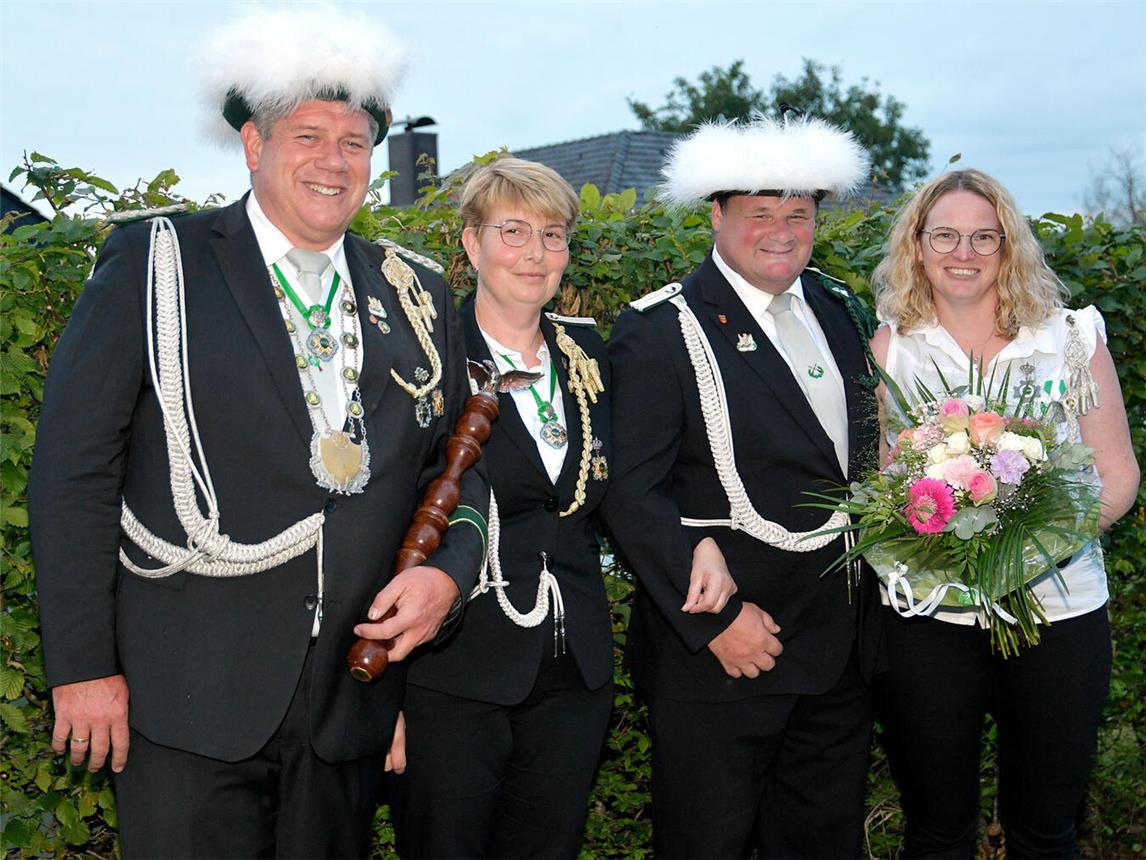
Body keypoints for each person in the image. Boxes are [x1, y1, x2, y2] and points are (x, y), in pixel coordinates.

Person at [27, 7, 487, 858]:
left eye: (354, 142)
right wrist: (83, 668)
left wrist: (449, 580)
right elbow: (73, 474)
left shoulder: (416, 291)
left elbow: (458, 467)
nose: (333, 161)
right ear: (253, 144)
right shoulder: (156, 264)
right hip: (185, 699)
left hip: (348, 703)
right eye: (307, 135)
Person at [388, 156, 736, 858]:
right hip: (450, 666)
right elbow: (384, 517)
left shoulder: (587, 352)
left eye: (553, 235)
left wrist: (696, 539)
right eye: (513, 231)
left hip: (574, 668)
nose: (535, 252)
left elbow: (634, 482)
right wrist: (378, 695)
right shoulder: (425, 357)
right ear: (470, 244)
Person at [602, 115, 885, 858]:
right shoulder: (662, 328)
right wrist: (713, 625)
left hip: (836, 654)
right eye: (761, 213)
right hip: (723, 657)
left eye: (799, 213)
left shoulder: (836, 308)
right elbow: (630, 493)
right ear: (718, 215)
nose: (783, 231)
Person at [869, 168, 1139, 858]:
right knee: (935, 828)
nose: (965, 253)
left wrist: (1024, 550)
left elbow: (1119, 478)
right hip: (929, 616)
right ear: (918, 246)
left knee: (1047, 828)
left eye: (984, 237)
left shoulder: (1069, 339)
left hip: (1060, 609)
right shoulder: (889, 348)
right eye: (946, 236)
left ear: (1008, 245)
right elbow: (875, 487)